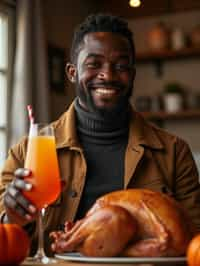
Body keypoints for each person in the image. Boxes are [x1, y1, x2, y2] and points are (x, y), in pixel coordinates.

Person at [0, 13, 200, 256]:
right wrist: (11, 217)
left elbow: (195, 244)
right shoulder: (25, 153)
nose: (108, 75)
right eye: (94, 64)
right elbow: (6, 240)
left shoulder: (175, 153)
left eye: (121, 66)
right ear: (72, 72)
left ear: (133, 75)